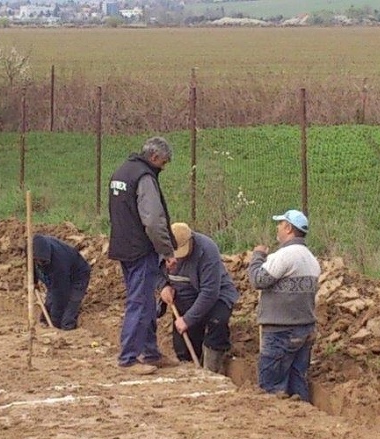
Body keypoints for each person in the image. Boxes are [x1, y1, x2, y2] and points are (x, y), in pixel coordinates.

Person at [108, 136, 177, 375]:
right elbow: (153, 220)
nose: (163, 168)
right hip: (141, 250)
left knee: (145, 300)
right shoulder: (144, 177)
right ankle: (128, 358)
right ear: (155, 157)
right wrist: (166, 250)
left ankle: (150, 352)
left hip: (122, 246)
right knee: (138, 301)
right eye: (164, 163)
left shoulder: (121, 172)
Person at [247, 209, 321, 403]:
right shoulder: (310, 258)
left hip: (281, 331)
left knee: (271, 389)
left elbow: (258, 280)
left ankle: (276, 428)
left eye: (280, 224)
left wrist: (257, 257)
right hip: (304, 328)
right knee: (298, 383)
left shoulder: (286, 255)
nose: (277, 228)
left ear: (288, 228)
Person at [159, 223, 238, 373]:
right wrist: (163, 286)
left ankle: (212, 369)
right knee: (184, 343)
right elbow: (153, 270)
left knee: (217, 323)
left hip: (216, 295)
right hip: (183, 295)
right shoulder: (159, 247)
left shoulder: (207, 250)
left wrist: (188, 319)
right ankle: (189, 369)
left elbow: (209, 292)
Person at [32, 234, 91, 331]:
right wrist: (34, 282)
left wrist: (55, 326)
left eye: (43, 262)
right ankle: (45, 322)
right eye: (38, 261)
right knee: (49, 308)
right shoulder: (31, 249)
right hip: (57, 276)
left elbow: (60, 294)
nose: (40, 264)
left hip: (78, 276)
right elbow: (30, 266)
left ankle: (68, 328)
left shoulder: (59, 263)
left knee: (66, 317)